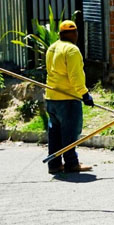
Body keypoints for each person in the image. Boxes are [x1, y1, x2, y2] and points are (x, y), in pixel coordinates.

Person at [45, 20, 95, 174]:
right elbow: (76, 76)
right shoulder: (72, 50)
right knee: (70, 133)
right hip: (67, 99)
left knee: (55, 134)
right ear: (74, 33)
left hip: (51, 97)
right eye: (75, 32)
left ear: (60, 34)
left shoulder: (52, 48)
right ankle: (72, 163)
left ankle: (54, 164)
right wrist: (84, 94)